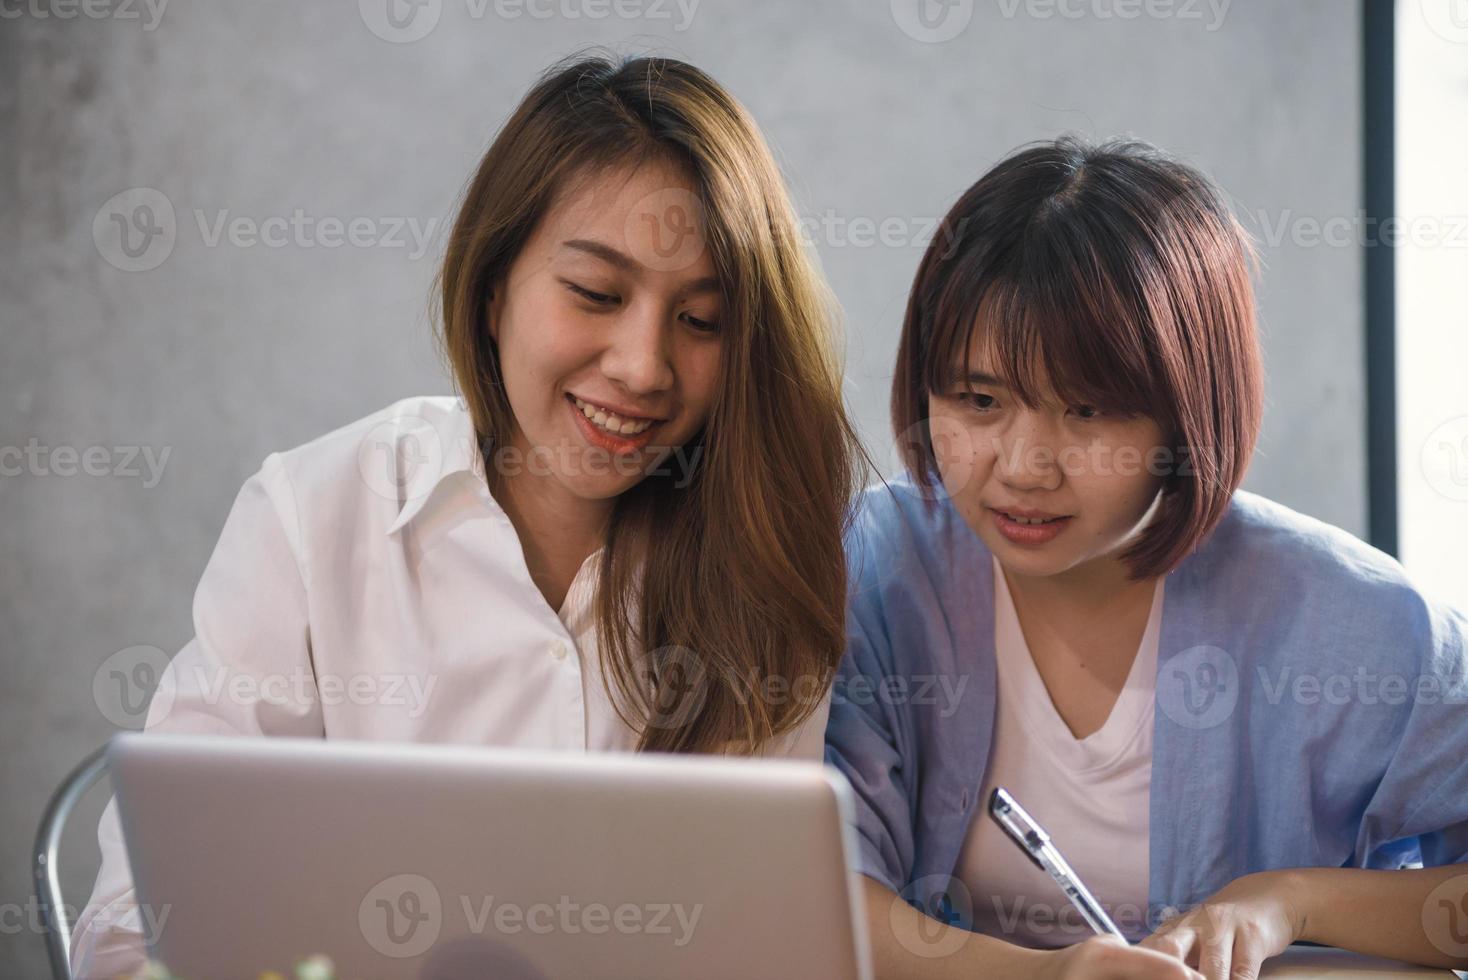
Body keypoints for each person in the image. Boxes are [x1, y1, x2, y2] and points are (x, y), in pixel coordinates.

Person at [71, 53, 863, 978]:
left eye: (702, 321)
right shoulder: (314, 517)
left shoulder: (763, 563)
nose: (645, 366)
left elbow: (764, 949)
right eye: (596, 294)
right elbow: (135, 930)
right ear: (494, 290)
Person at [825, 136, 1468, 980]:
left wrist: (1290, 901)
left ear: (1188, 413)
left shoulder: (1360, 625)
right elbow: (818, 894)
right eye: (978, 401)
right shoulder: (871, 569)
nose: (1023, 467)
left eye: (1089, 412)